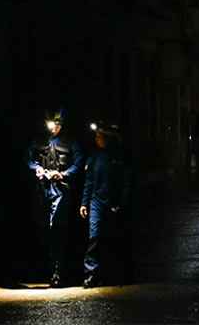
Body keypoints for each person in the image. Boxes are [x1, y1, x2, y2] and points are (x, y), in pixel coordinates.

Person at [27, 108, 84, 287]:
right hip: (41, 190)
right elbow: (27, 158)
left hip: (60, 190)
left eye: (56, 125)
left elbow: (79, 162)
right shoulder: (38, 141)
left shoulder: (70, 143)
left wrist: (64, 174)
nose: (53, 129)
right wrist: (36, 170)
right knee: (43, 229)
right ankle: (47, 266)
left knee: (58, 228)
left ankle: (58, 270)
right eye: (50, 125)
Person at [80, 121, 134, 288]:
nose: (97, 139)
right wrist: (84, 203)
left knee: (118, 238)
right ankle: (92, 273)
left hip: (115, 202)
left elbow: (128, 180)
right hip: (97, 202)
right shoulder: (94, 156)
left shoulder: (121, 156)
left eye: (100, 136)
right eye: (96, 136)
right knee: (94, 236)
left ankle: (122, 272)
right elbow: (89, 181)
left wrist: (124, 201)